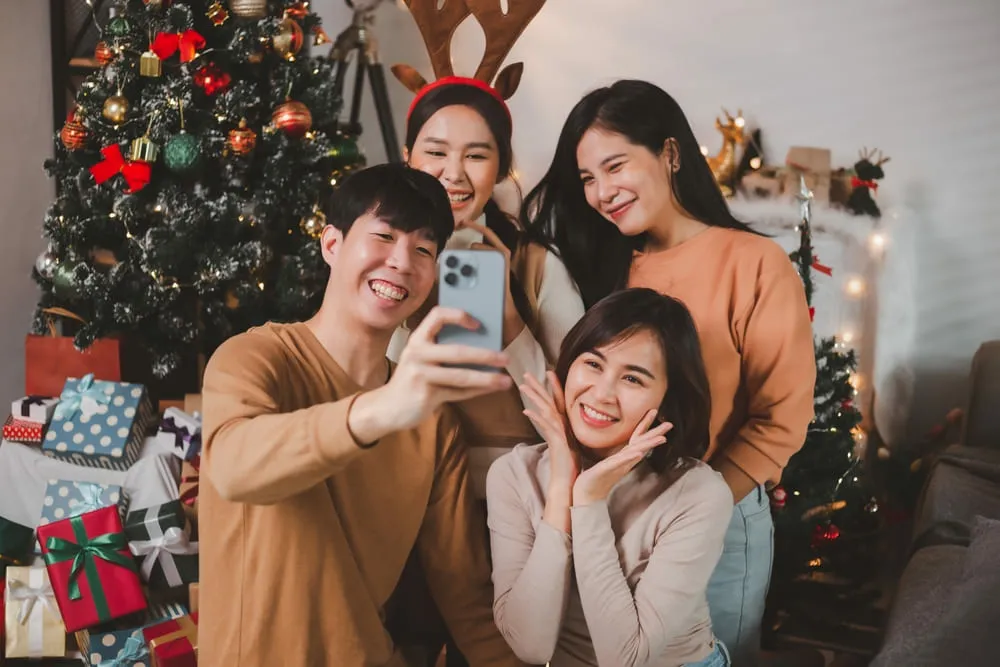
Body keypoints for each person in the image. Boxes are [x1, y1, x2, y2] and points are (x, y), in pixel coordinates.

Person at [522, 79, 817, 666]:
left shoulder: (754, 264)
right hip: (606, 516)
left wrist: (694, 508)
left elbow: (781, 419)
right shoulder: (598, 266)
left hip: (716, 524)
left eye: (615, 166)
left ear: (671, 153)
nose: (602, 193)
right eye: (586, 179)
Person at [197, 163, 522, 667]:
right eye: (384, 236)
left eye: (423, 250)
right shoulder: (254, 358)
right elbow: (235, 468)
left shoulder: (433, 419)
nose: (401, 262)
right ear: (332, 245)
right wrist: (381, 411)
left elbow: (467, 595)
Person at [487, 287, 733, 667]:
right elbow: (530, 646)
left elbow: (627, 658)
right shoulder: (513, 474)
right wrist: (561, 485)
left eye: (633, 379)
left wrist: (588, 500)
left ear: (667, 399)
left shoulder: (698, 493)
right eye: (593, 364)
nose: (601, 394)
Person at [391, 78, 585, 496]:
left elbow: (578, 406)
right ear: (408, 158)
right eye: (436, 152)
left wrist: (508, 312)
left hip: (518, 492)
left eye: (476, 155)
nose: (454, 173)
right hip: (404, 486)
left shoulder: (535, 263)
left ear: (500, 167)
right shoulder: (383, 257)